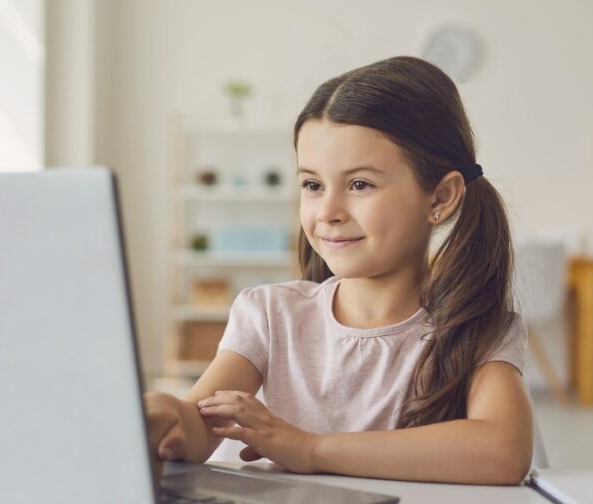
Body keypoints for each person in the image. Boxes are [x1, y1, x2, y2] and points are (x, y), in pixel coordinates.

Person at [145, 56, 532, 485]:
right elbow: (199, 424)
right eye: (312, 185)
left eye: (360, 184)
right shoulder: (270, 314)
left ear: (440, 197)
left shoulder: (477, 327)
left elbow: (501, 451)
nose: (327, 212)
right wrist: (165, 414)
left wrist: (310, 449)